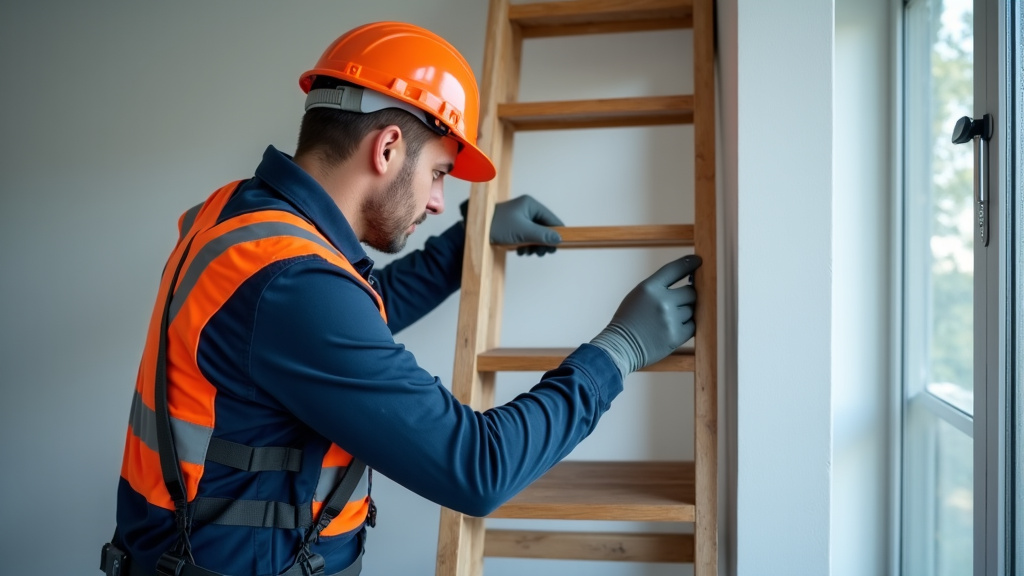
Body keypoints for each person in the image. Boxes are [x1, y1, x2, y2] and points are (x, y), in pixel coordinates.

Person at [101, 21, 701, 576]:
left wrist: (466, 241)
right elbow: (476, 467)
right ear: (387, 148)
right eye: (439, 173)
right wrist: (617, 352)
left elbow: (344, 319)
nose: (439, 201)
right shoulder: (294, 286)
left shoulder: (239, 215)